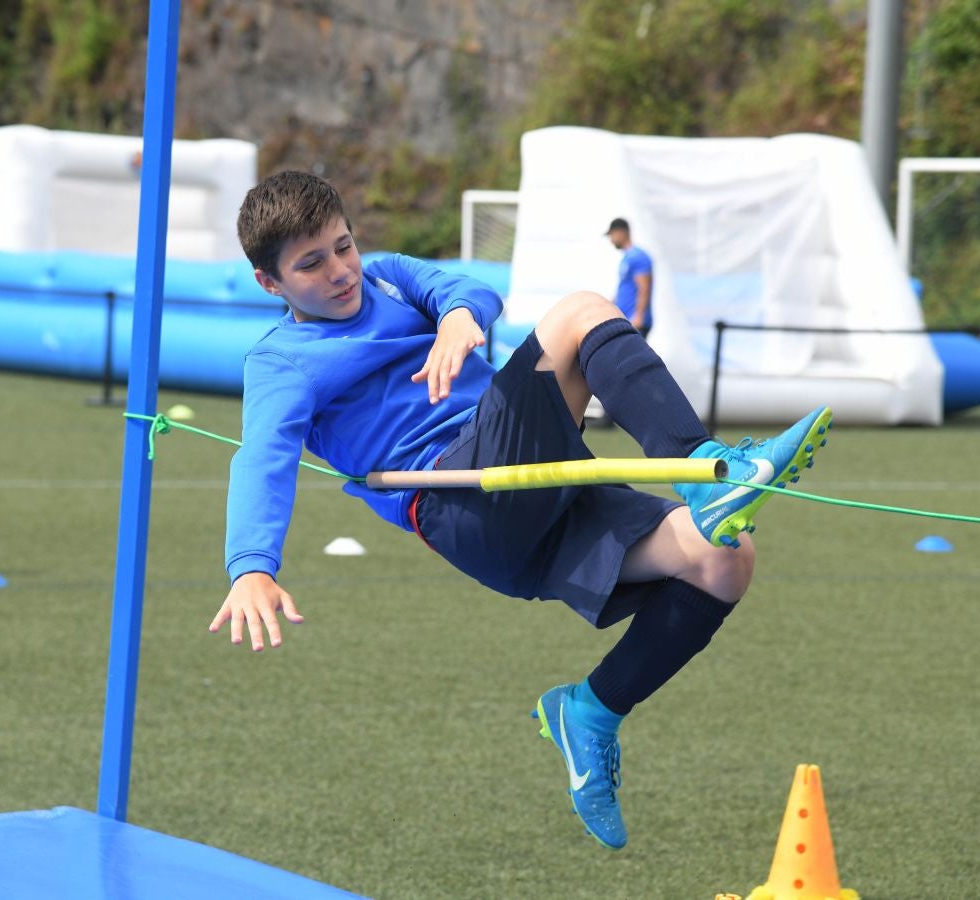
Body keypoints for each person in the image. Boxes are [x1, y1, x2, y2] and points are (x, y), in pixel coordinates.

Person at [211, 171, 832, 851]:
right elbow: (261, 459)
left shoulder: (385, 274)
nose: (339, 270)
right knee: (579, 313)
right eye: (311, 263)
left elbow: (467, 290)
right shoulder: (279, 365)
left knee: (725, 560)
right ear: (270, 283)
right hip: (462, 495)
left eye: (343, 245)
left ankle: (589, 713)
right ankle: (704, 470)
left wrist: (457, 317)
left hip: (528, 488)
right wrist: (251, 566)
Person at [606, 217, 653, 336]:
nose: (610, 240)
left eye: (612, 235)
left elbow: (644, 288)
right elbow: (624, 287)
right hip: (625, 320)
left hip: (634, 322)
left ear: (622, 232)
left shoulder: (638, 256)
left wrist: (639, 315)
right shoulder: (627, 257)